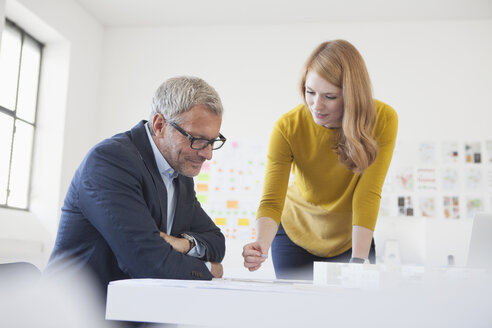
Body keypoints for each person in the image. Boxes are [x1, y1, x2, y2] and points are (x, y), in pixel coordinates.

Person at [46, 76, 227, 299]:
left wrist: (185, 244)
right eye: (197, 139)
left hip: (138, 309)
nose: (207, 154)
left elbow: (217, 241)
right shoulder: (110, 161)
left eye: (212, 141)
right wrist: (210, 269)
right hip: (79, 313)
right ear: (160, 125)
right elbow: (149, 263)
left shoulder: (179, 172)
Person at [242, 40, 398, 280]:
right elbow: (273, 199)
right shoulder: (287, 127)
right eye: (310, 92)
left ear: (352, 95)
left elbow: (368, 194)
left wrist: (358, 261)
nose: (316, 105)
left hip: (350, 239)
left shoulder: (383, 120)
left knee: (355, 313)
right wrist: (260, 245)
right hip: (294, 234)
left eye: (330, 96)